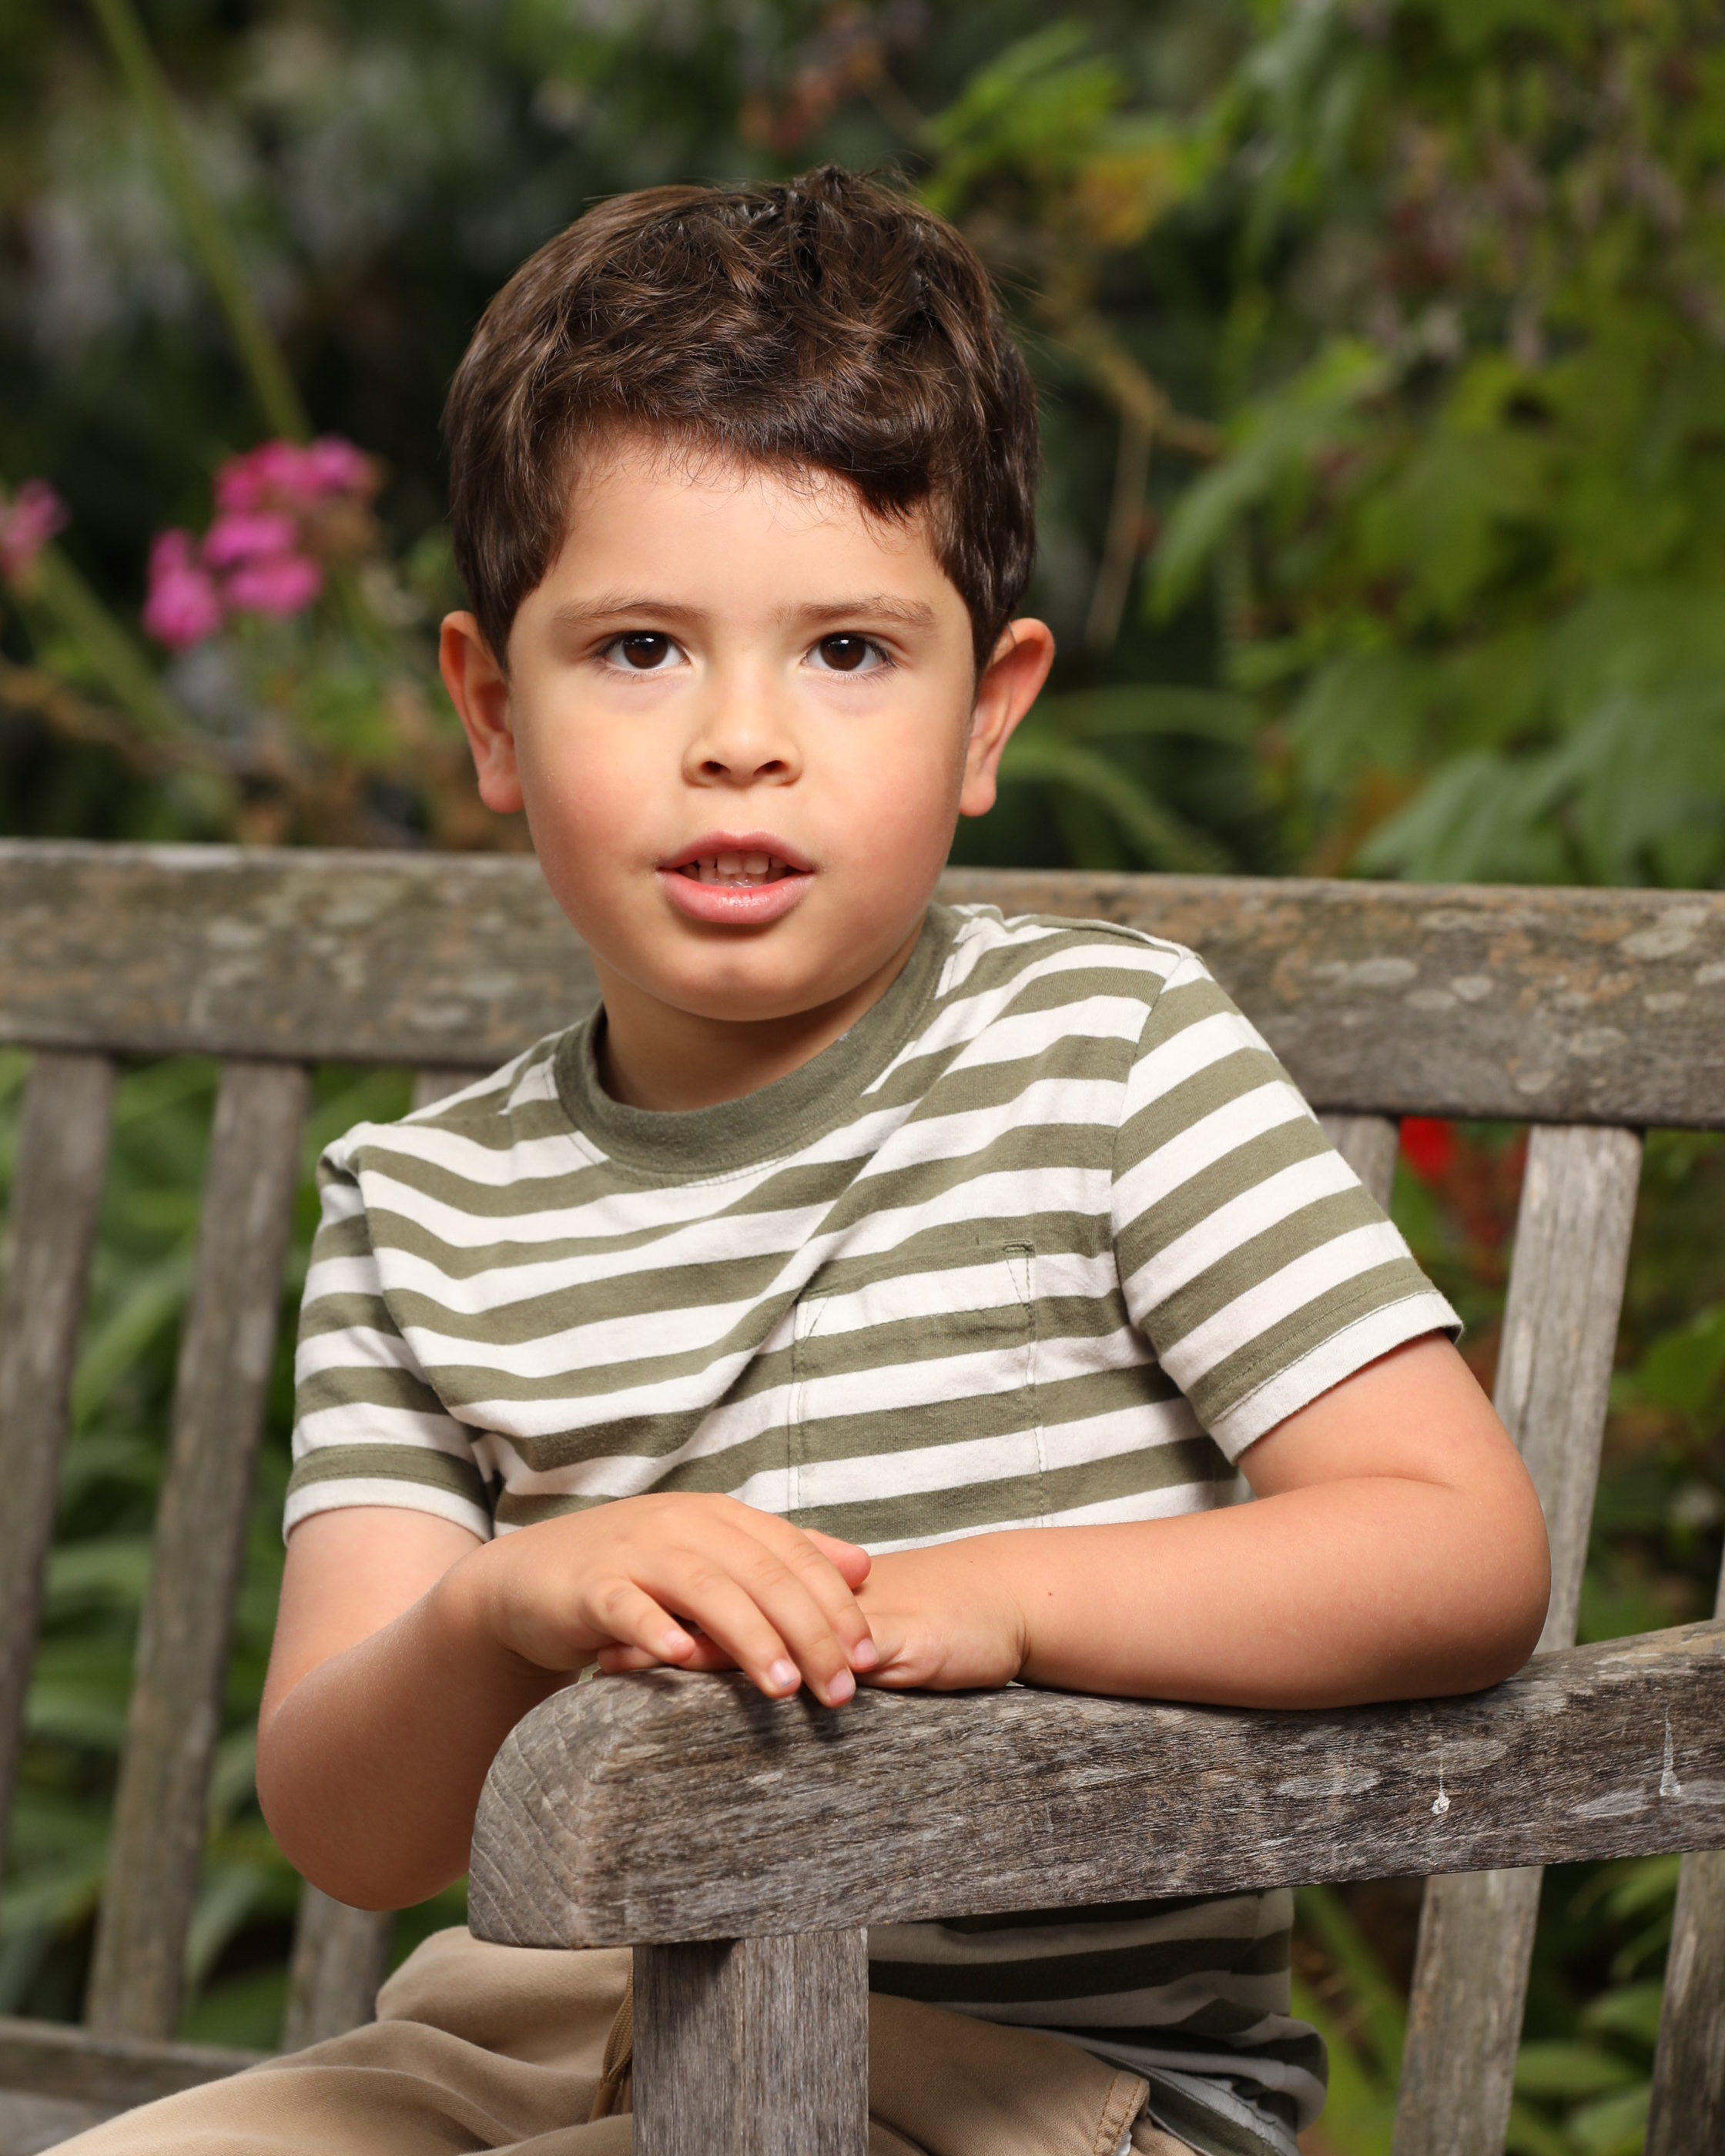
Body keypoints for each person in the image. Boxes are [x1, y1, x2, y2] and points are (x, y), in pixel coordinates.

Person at [62, 166, 1549, 2156]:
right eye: (639, 649)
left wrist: (1000, 1601)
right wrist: (499, 1608)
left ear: (986, 715)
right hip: (535, 2042)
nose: (740, 738)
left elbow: (1458, 1551)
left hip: (1021, 2091)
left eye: (847, 650)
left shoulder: (1105, 1056)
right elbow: (350, 1828)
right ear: (492, 713)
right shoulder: (423, 1212)